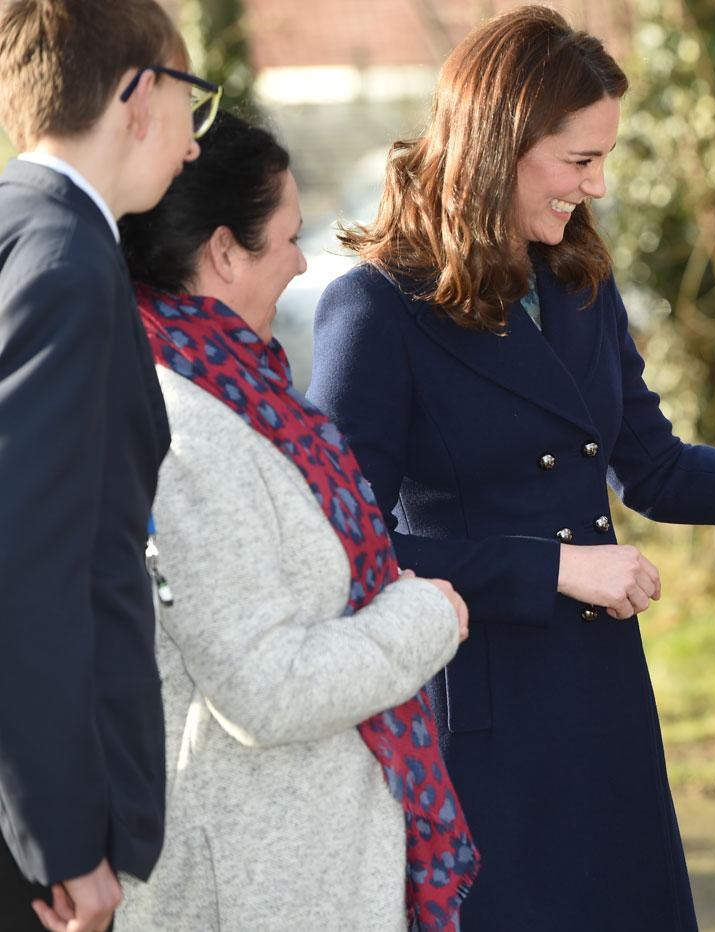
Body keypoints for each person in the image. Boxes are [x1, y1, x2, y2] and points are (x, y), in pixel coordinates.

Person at [306, 8, 715, 930]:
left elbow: (659, 472)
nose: (599, 186)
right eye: (579, 161)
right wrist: (554, 566)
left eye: (605, 159)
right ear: (499, 144)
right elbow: (343, 547)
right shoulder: (374, 308)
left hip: (597, 694)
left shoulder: (577, 281)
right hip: (473, 718)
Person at [115, 113, 478, 931]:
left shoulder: (243, 395)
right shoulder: (187, 429)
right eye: (284, 237)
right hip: (253, 886)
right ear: (222, 251)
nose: (303, 260)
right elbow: (265, 689)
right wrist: (424, 616)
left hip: (294, 869)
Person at [0, 2, 203, 929]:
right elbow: (30, 570)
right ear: (139, 93)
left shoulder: (25, 228)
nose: (196, 145)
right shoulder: (66, 263)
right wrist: (64, 842)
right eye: (192, 103)